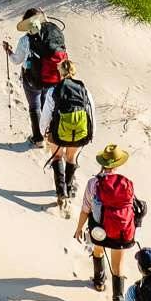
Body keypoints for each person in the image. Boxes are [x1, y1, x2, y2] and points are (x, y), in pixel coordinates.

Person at [72, 144, 142, 301]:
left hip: (99, 230)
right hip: (121, 232)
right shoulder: (126, 183)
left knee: (98, 250)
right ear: (117, 164)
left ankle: (99, 282)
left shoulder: (93, 183)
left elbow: (85, 209)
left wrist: (79, 228)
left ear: (102, 163)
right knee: (118, 268)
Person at [37, 59, 95, 210]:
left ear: (60, 72)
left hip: (58, 131)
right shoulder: (84, 90)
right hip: (79, 132)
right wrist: (91, 132)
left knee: (57, 157)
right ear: (74, 72)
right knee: (71, 158)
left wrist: (43, 131)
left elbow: (46, 114)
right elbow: (91, 112)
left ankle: (60, 192)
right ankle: (68, 190)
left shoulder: (54, 90)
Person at [1, 9, 66, 144]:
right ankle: (48, 133)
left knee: (34, 106)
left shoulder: (25, 40)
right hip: (51, 78)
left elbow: (16, 60)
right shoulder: (52, 35)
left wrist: (8, 51)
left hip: (32, 79)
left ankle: (37, 138)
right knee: (45, 104)